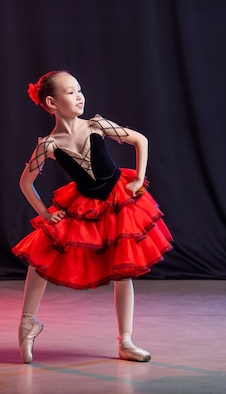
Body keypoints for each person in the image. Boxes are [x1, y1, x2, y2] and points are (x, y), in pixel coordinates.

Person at [12, 70, 173, 364]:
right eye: (71, 92)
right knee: (42, 254)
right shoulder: (48, 145)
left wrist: (139, 178)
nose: (79, 95)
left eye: (79, 90)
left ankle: (125, 341)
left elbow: (141, 140)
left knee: (123, 269)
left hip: (118, 200)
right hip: (84, 205)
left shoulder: (96, 125)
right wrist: (46, 214)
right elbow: (25, 182)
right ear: (51, 102)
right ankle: (26, 323)